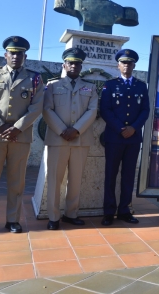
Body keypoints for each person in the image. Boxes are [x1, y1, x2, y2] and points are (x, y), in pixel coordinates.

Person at [0, 36, 44, 236]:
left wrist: (17, 128)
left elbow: (36, 107)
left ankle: (13, 220)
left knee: (17, 180)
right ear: (6, 55)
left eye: (19, 53)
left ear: (25, 56)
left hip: (20, 137)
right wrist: (0, 126)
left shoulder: (35, 78)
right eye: (12, 52)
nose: (15, 56)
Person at [43, 48, 98, 230]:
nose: (74, 65)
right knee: (54, 180)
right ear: (64, 65)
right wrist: (62, 130)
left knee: (75, 179)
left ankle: (71, 213)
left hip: (80, 140)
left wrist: (76, 130)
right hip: (58, 140)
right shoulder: (52, 85)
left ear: (81, 66)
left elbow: (92, 111)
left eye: (77, 63)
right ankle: (53, 216)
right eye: (70, 62)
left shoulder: (90, 87)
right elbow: (47, 109)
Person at [100, 49, 150, 225]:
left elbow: (145, 110)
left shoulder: (141, 86)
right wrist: (121, 128)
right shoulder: (110, 85)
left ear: (134, 65)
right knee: (111, 176)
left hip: (133, 139)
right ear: (118, 65)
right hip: (114, 137)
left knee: (129, 176)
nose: (126, 65)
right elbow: (105, 109)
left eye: (129, 62)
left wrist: (134, 128)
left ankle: (124, 210)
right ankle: (108, 211)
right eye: (123, 62)